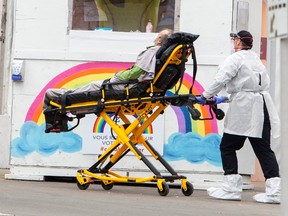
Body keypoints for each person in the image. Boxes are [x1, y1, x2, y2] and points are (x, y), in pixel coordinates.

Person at [196, 30, 281, 204]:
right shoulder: (256, 59)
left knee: (227, 146)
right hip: (261, 105)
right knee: (263, 149)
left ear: (237, 42)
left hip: (244, 108)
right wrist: (224, 98)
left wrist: (205, 96)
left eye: (234, 39)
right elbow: (251, 86)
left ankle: (231, 188)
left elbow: (221, 79)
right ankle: (275, 191)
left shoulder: (235, 58)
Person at [43, 28, 173, 110]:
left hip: (126, 87)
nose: (155, 38)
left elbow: (135, 72)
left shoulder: (152, 51)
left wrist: (118, 76)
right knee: (90, 87)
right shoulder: (163, 55)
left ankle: (56, 96)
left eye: (157, 36)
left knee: (92, 86)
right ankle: (60, 95)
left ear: (160, 41)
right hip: (136, 87)